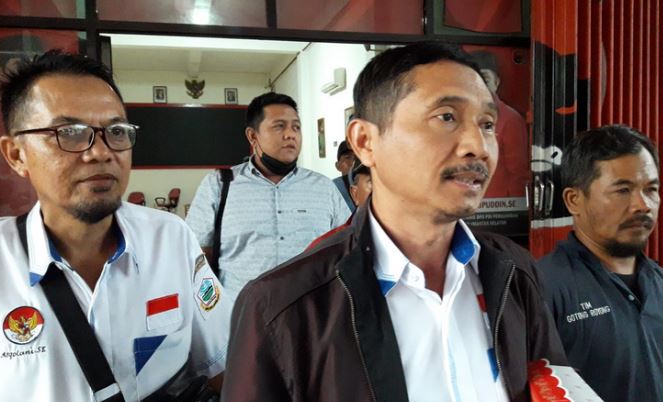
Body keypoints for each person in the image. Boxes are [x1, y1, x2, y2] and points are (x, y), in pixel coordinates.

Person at [221, 41, 567, 402]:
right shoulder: (281, 307)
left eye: (488, 124)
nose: (477, 146)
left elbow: (554, 387)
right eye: (446, 117)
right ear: (365, 141)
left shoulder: (513, 271)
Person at [0, 50, 232, 401]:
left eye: (116, 131)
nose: (101, 152)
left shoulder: (170, 239)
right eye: (70, 132)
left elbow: (221, 366)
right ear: (16, 155)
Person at [537, 125, 663, 402]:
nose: (643, 205)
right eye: (623, 190)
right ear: (574, 200)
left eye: (651, 189)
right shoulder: (543, 288)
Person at [185, 92, 351, 296]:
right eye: (279, 126)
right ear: (252, 136)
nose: (290, 134)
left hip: (311, 310)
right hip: (239, 310)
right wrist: (211, 309)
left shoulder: (323, 188)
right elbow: (196, 254)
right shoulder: (219, 185)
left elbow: (347, 247)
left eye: (296, 127)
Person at [469, 50, 530, 198]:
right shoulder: (462, 117)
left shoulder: (511, 119)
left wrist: (516, 207)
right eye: (475, 80)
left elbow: (518, 174)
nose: (481, 86)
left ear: (496, 82)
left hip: (499, 207)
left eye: (485, 79)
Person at [333, 140, 357, 211]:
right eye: (348, 157)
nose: (353, 162)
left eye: (357, 158)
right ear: (337, 165)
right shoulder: (333, 188)